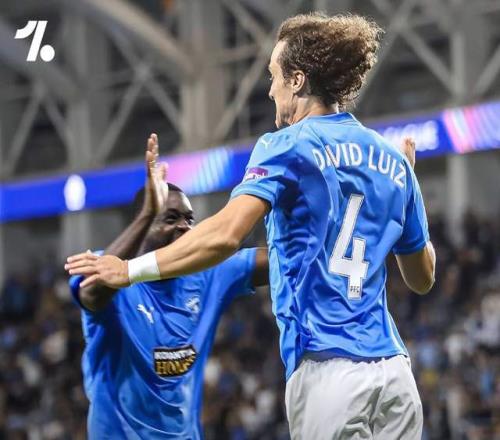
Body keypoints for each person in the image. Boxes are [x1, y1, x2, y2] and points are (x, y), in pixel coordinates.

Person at [66, 13, 436, 440]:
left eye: (274, 76)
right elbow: (422, 278)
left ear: (297, 80)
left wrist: (130, 269)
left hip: (328, 368)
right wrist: (406, 184)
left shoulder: (288, 144)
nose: (270, 89)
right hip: (395, 375)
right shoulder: (392, 161)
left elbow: (226, 234)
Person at [68, 134, 268, 439]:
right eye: (170, 218)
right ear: (140, 228)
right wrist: (148, 213)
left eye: (190, 219)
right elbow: (92, 293)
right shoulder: (111, 270)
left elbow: (278, 260)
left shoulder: (208, 272)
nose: (184, 227)